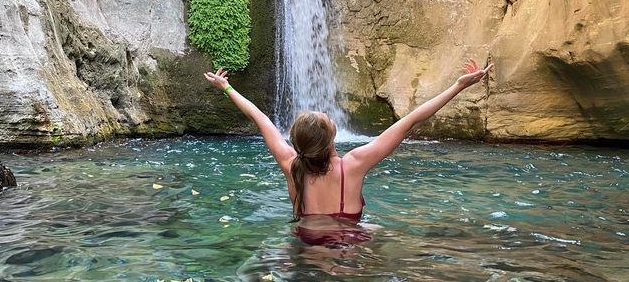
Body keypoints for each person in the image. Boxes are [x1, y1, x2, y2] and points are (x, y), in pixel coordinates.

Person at [203, 58, 493, 245]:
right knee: (381, 233)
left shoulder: (292, 164)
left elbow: (261, 119)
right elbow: (410, 122)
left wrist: (227, 88)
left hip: (306, 243)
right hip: (351, 246)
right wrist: (457, 86)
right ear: (333, 137)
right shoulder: (354, 164)